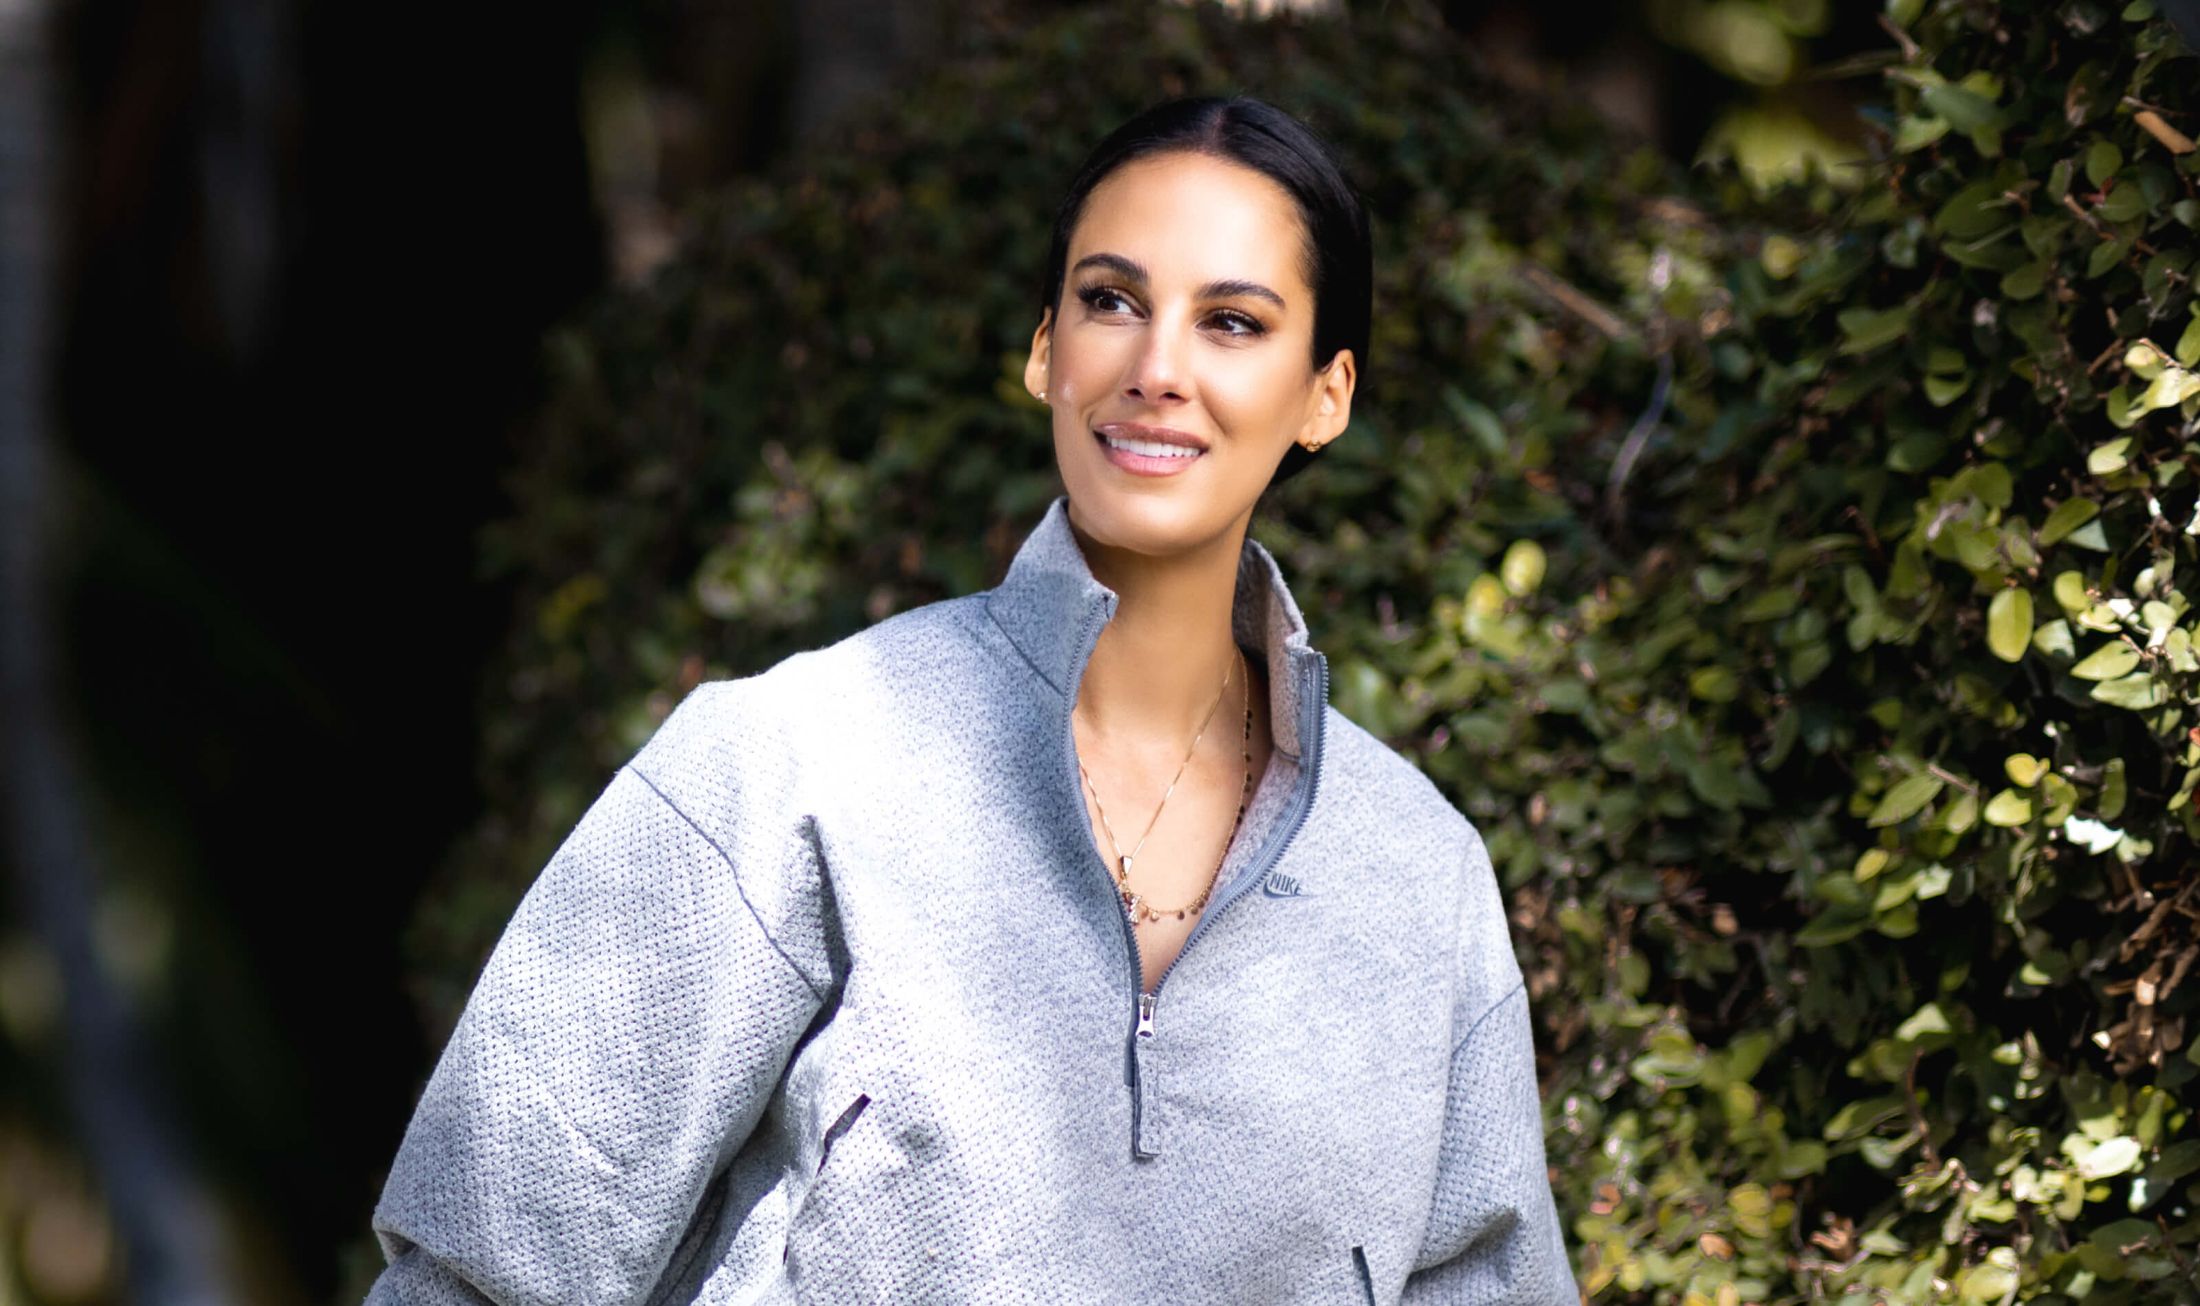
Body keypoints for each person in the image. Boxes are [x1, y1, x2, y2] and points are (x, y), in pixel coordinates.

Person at [365, 95, 1578, 1304]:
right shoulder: (792, 767)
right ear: (1046, 346)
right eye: (1111, 300)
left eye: (1232, 322)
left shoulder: (1419, 879)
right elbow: (481, 1270)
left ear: (1327, 394)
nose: (1158, 369)